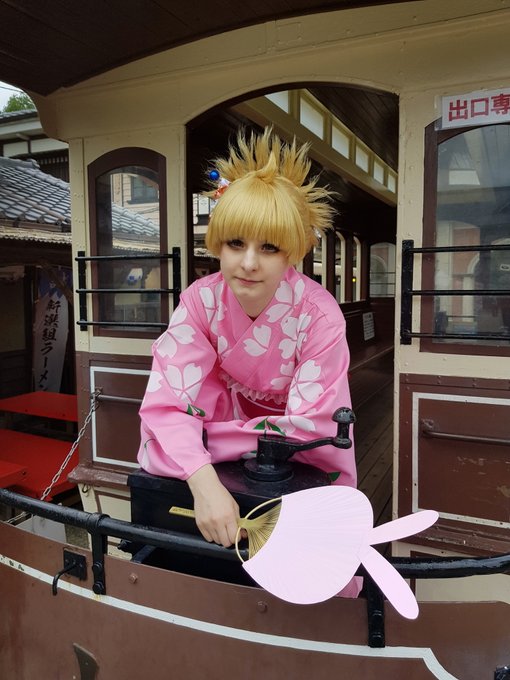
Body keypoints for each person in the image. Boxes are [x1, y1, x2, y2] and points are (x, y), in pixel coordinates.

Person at [137, 127, 356, 552]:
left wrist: (206, 439)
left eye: (270, 247)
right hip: (223, 451)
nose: (249, 263)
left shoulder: (319, 316)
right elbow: (168, 403)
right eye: (236, 243)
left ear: (293, 251)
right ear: (218, 244)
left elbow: (314, 428)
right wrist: (203, 480)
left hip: (298, 457)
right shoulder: (200, 301)